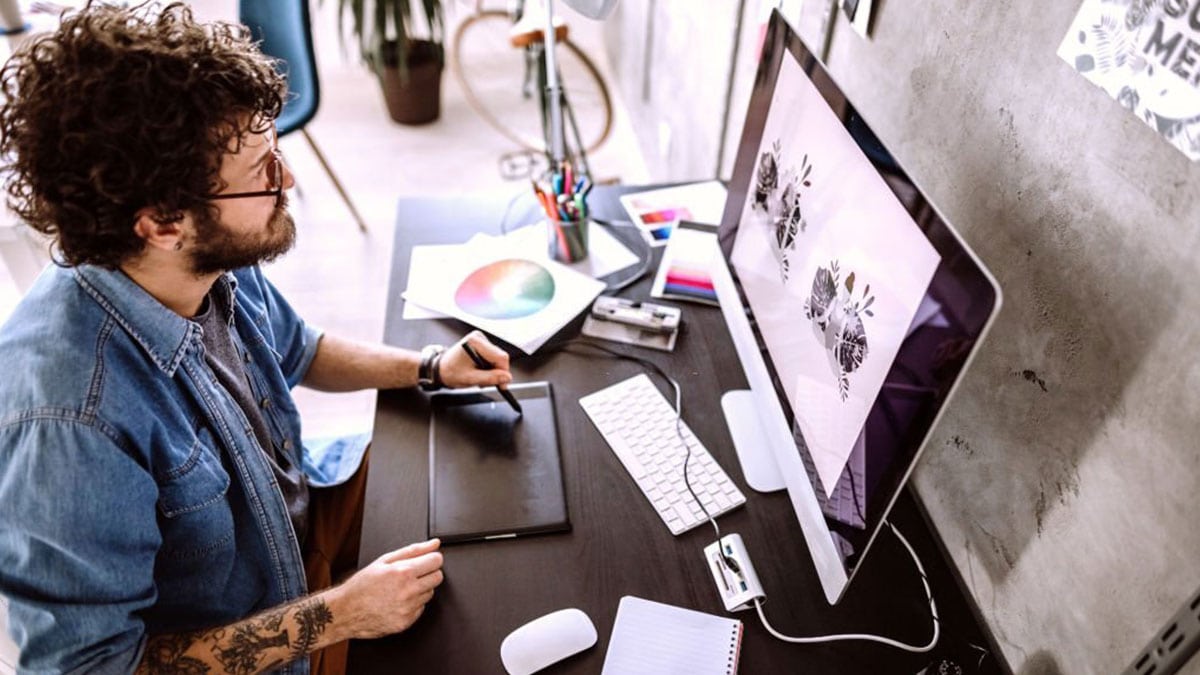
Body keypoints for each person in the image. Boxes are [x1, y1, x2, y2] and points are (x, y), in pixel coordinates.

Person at [0, 3, 514, 673]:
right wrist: (342, 612)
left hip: (298, 524)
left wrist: (429, 366)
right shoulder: (69, 419)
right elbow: (95, 667)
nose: (289, 181)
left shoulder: (195, 264)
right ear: (162, 221)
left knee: (500, 510)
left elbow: (299, 348)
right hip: (263, 632)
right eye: (264, 172)